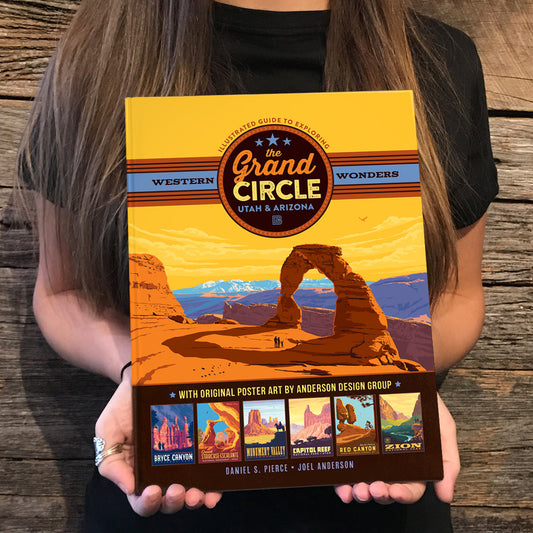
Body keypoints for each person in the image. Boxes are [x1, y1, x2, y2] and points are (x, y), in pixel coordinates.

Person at [17, 0, 498, 531]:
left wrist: (405, 378)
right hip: (158, 495)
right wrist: (138, 372)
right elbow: (62, 294)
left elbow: (458, 297)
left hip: (384, 495)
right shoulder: (99, 56)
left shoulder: (439, 61)